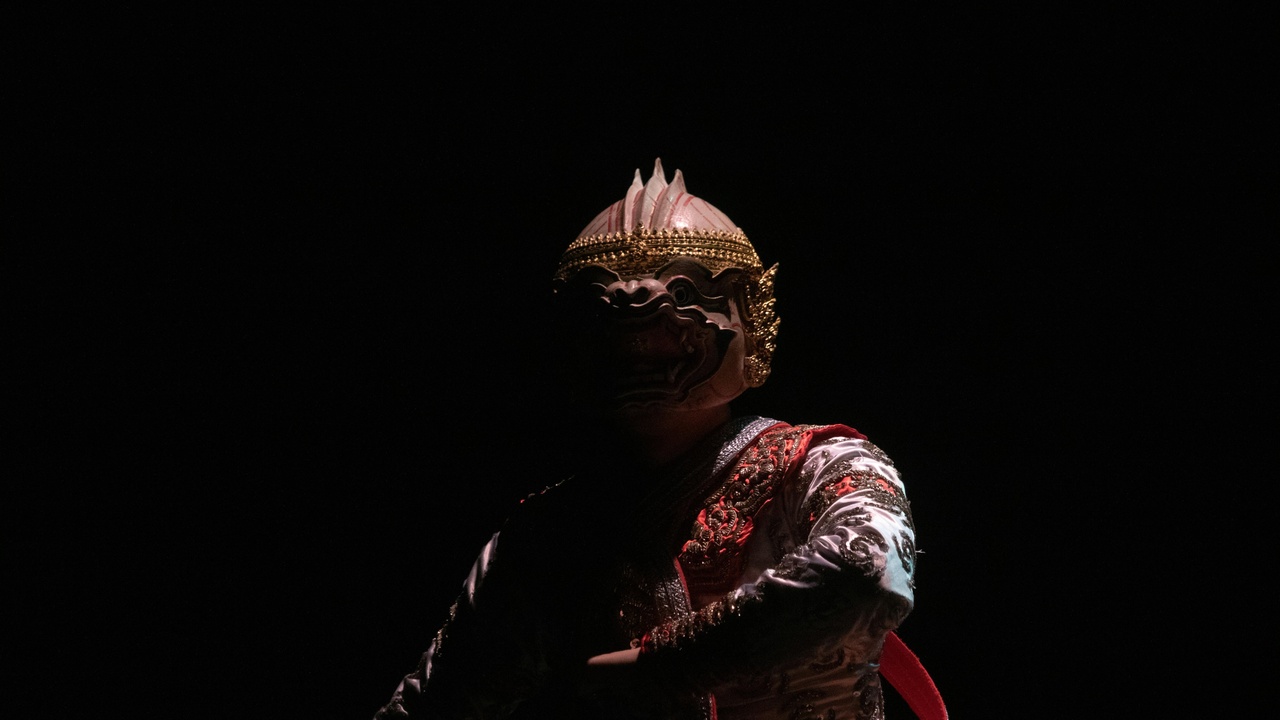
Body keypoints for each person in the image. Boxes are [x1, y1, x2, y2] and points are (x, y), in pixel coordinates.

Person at [374, 160, 945, 719]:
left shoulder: (819, 463)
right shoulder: (547, 533)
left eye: (685, 297)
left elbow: (869, 571)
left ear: (753, 321)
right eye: (606, 319)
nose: (641, 330)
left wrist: (664, 664)